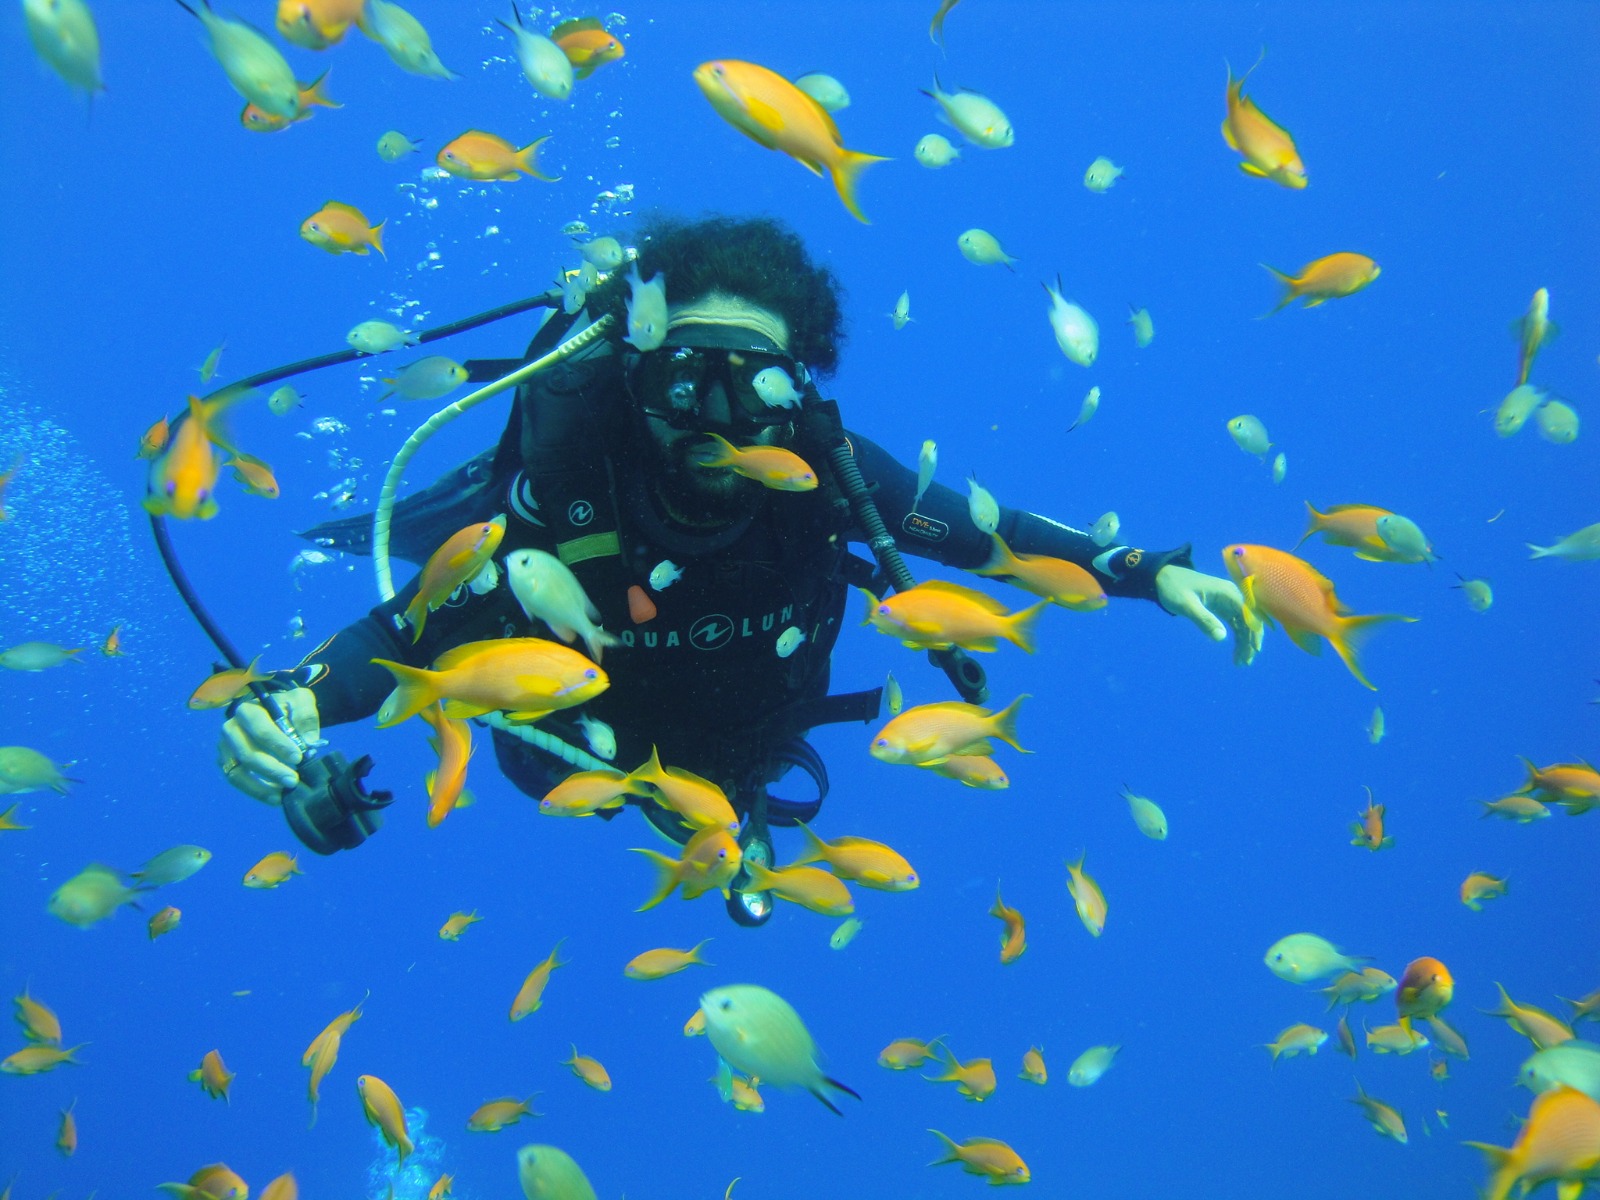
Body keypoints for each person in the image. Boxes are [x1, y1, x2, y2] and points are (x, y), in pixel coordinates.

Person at [217, 214, 1258, 922]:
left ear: (795, 392)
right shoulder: (574, 499)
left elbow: (992, 533)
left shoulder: (827, 474)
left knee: (725, 808)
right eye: (687, 379)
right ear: (637, 383)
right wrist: (294, 706)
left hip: (749, 747)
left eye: (753, 382)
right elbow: (401, 633)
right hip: (573, 743)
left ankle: (729, 836)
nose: (720, 419)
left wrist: (1146, 571)